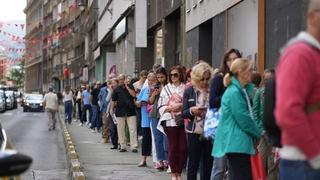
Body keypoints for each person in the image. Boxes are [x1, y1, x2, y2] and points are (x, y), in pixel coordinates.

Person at [275, 1, 320, 179]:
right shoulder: (300, 54)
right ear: (312, 17)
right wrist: (315, 154)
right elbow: (287, 112)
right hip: (305, 164)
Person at [212, 58, 262, 180]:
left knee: (238, 175)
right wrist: (259, 133)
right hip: (236, 141)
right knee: (241, 175)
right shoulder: (235, 92)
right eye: (250, 70)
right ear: (241, 72)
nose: (252, 72)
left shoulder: (239, 90)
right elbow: (244, 119)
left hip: (237, 141)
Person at [209, 48, 241, 180]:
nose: (232, 62)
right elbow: (212, 102)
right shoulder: (219, 78)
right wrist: (229, 96)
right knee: (219, 167)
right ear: (225, 62)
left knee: (234, 167)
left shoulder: (241, 79)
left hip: (238, 127)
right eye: (230, 59)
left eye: (235, 59)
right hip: (221, 127)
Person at [182, 62, 214, 180]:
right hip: (194, 132)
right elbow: (184, 112)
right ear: (196, 78)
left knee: (208, 164)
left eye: (207, 78)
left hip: (210, 132)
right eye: (202, 79)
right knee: (193, 163)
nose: (205, 82)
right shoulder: (189, 90)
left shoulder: (213, 89)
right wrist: (192, 111)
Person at [158, 66, 187, 180]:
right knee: (173, 147)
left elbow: (188, 102)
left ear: (180, 75)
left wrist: (180, 106)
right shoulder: (166, 89)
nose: (173, 77)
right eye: (171, 75)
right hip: (170, 120)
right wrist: (171, 108)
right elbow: (161, 106)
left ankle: (179, 171)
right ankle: (174, 174)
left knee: (183, 148)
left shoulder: (185, 88)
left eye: (176, 74)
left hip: (183, 120)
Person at [252, 69, 278, 179]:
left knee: (273, 163)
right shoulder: (260, 92)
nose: (267, 82)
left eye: (270, 79)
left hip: (275, 133)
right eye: (265, 79)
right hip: (262, 133)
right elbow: (255, 112)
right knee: (261, 159)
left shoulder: (280, 92)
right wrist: (260, 129)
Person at [110, 74, 138, 153]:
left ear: (125, 79)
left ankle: (134, 146)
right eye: (120, 79)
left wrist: (128, 87)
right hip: (120, 111)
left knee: (132, 129)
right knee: (120, 129)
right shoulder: (116, 89)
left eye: (123, 79)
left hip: (130, 111)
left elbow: (134, 95)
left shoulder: (130, 86)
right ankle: (122, 146)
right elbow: (113, 100)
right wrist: (111, 109)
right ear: (118, 81)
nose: (121, 81)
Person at [149, 67, 169, 170]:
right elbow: (150, 102)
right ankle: (160, 160)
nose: (160, 79)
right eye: (158, 77)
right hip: (155, 114)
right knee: (157, 138)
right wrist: (154, 94)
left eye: (162, 77)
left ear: (166, 76)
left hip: (166, 114)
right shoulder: (154, 86)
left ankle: (167, 160)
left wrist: (163, 90)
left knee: (166, 138)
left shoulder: (169, 86)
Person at [137, 72, 157, 167]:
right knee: (146, 140)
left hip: (155, 117)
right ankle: (143, 159)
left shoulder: (158, 90)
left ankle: (158, 160)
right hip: (145, 118)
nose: (150, 81)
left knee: (156, 140)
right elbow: (137, 102)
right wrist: (140, 102)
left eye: (152, 79)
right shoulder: (145, 89)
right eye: (149, 79)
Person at [109, 78, 119, 150]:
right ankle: (114, 143)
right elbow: (107, 100)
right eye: (112, 83)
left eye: (114, 83)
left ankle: (118, 143)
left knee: (118, 128)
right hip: (112, 111)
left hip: (118, 111)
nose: (113, 84)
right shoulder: (112, 91)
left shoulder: (119, 91)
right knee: (112, 128)